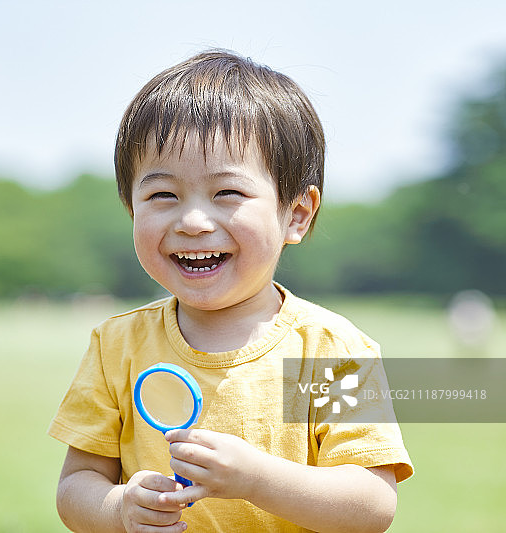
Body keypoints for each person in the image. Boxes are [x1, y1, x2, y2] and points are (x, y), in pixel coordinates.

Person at [48, 50, 413, 533]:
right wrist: (118, 508)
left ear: (297, 213)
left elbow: (370, 506)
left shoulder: (333, 347)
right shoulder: (117, 345)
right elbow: (78, 484)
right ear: (131, 208)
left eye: (228, 193)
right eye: (162, 195)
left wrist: (258, 479)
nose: (193, 222)